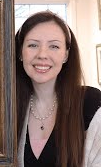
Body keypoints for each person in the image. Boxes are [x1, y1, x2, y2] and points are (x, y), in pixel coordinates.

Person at [15, 11, 101, 167]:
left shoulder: (92, 103)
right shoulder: (6, 108)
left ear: (66, 55)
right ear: (20, 52)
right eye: (33, 45)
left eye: (54, 46)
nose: (42, 54)